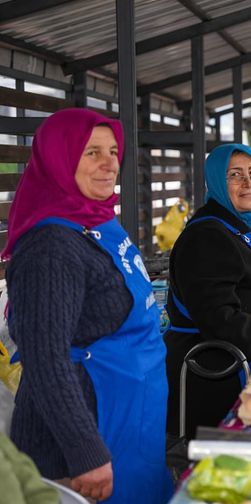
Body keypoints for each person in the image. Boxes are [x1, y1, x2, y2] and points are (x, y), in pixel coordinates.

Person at [4, 108, 173, 502]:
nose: (109, 164)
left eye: (113, 151)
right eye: (91, 153)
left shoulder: (96, 222)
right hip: (83, 440)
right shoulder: (50, 248)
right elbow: (45, 359)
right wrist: (86, 453)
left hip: (131, 418)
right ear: (59, 159)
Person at [164, 144, 251, 439]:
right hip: (222, 376)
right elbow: (219, 317)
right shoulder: (207, 236)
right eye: (235, 175)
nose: (248, 183)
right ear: (216, 180)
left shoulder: (250, 224)